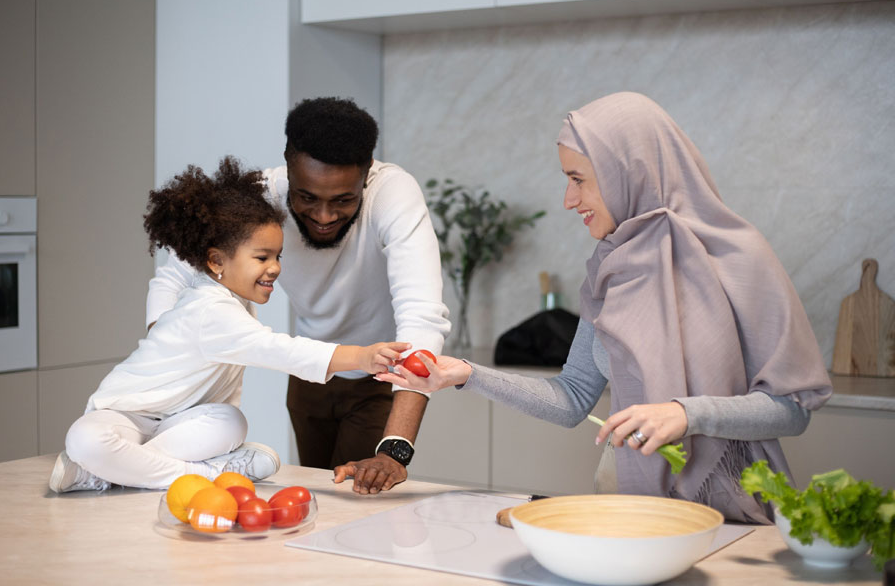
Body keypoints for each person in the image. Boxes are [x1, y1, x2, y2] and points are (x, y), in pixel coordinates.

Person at [378, 92, 833, 522]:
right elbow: (572, 397)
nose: (568, 200)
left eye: (578, 180)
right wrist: (466, 374)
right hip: (630, 504)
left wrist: (686, 414)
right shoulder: (609, 268)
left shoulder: (739, 257)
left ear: (627, 173)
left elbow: (793, 409)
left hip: (729, 510)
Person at [49, 157, 408, 493]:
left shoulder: (232, 302)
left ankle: (105, 474)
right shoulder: (209, 310)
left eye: (277, 256)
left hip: (178, 423)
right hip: (128, 417)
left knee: (229, 422)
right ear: (217, 260)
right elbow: (278, 350)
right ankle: (208, 475)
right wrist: (360, 356)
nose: (275, 268)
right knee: (85, 439)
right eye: (262, 257)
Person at [146, 98, 450, 494]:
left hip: (382, 376)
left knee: (354, 502)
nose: (324, 217)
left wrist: (395, 450)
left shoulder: (393, 193)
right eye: (307, 198)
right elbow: (175, 273)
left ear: (366, 175)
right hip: (309, 375)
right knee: (320, 496)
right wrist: (159, 358)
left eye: (343, 200)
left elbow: (422, 316)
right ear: (287, 166)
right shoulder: (262, 194)